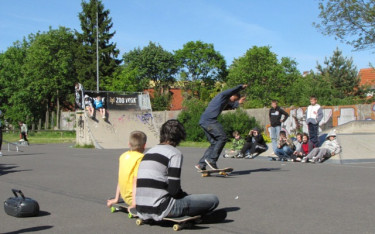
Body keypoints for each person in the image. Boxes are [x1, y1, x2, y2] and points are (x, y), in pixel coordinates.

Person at [136, 120, 226, 222]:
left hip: (141, 208)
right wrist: (185, 197)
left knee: (188, 200)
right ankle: (202, 218)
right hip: (161, 208)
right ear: (180, 136)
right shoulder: (174, 153)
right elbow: (174, 191)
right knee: (213, 200)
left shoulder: (149, 152)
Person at [195, 84, 248, 170]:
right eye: (235, 99)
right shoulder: (223, 95)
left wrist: (238, 103)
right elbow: (232, 90)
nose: (233, 101)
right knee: (222, 138)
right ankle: (212, 160)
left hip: (204, 121)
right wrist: (241, 87)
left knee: (214, 143)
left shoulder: (224, 101)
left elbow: (231, 105)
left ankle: (201, 164)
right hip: (210, 121)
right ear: (232, 95)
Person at [107, 131, 147, 212]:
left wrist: (116, 199)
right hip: (134, 199)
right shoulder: (141, 158)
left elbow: (121, 178)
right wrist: (134, 204)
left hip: (125, 197)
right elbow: (135, 181)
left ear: (129, 144)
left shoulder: (123, 156)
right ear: (144, 145)